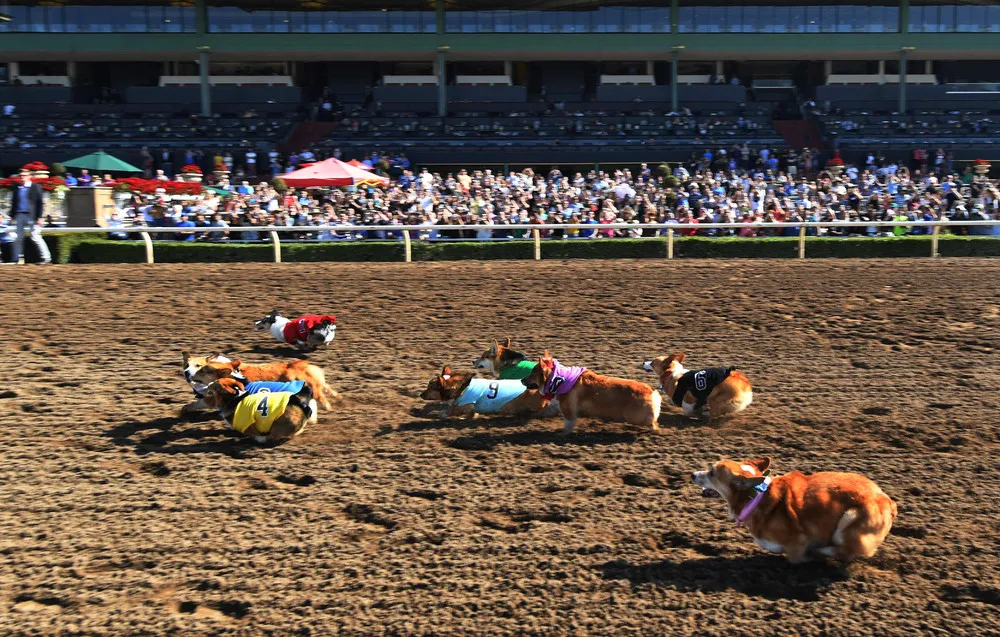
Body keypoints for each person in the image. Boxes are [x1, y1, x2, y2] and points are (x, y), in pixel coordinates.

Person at [8, 169, 51, 265]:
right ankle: (16, 258)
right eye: (21, 175)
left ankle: (46, 258)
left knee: (35, 236)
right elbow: (14, 203)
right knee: (18, 238)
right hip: (19, 214)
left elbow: (40, 203)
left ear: (29, 176)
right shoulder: (17, 187)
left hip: (31, 216)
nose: (22, 177)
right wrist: (12, 216)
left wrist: (40, 217)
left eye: (24, 175)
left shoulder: (35, 187)